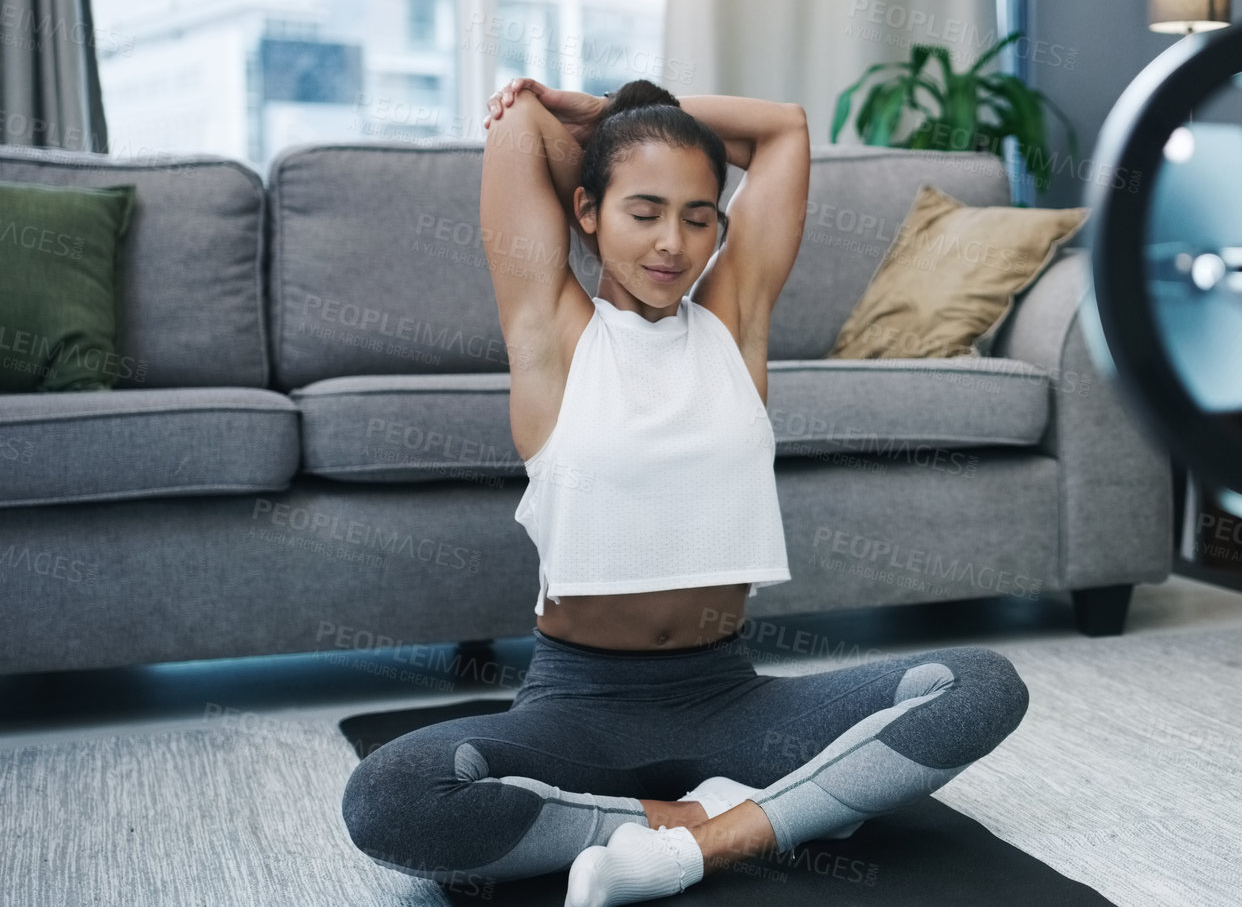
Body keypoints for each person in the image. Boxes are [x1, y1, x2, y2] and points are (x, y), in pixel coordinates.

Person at [338, 76, 1031, 906]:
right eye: (644, 212)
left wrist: (610, 117)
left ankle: (694, 847)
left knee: (981, 687)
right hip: (576, 707)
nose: (672, 242)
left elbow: (783, 128)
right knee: (392, 798)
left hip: (730, 699)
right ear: (586, 211)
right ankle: (741, 816)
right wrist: (599, 120)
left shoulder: (734, 325)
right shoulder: (554, 336)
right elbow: (519, 124)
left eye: (698, 217)